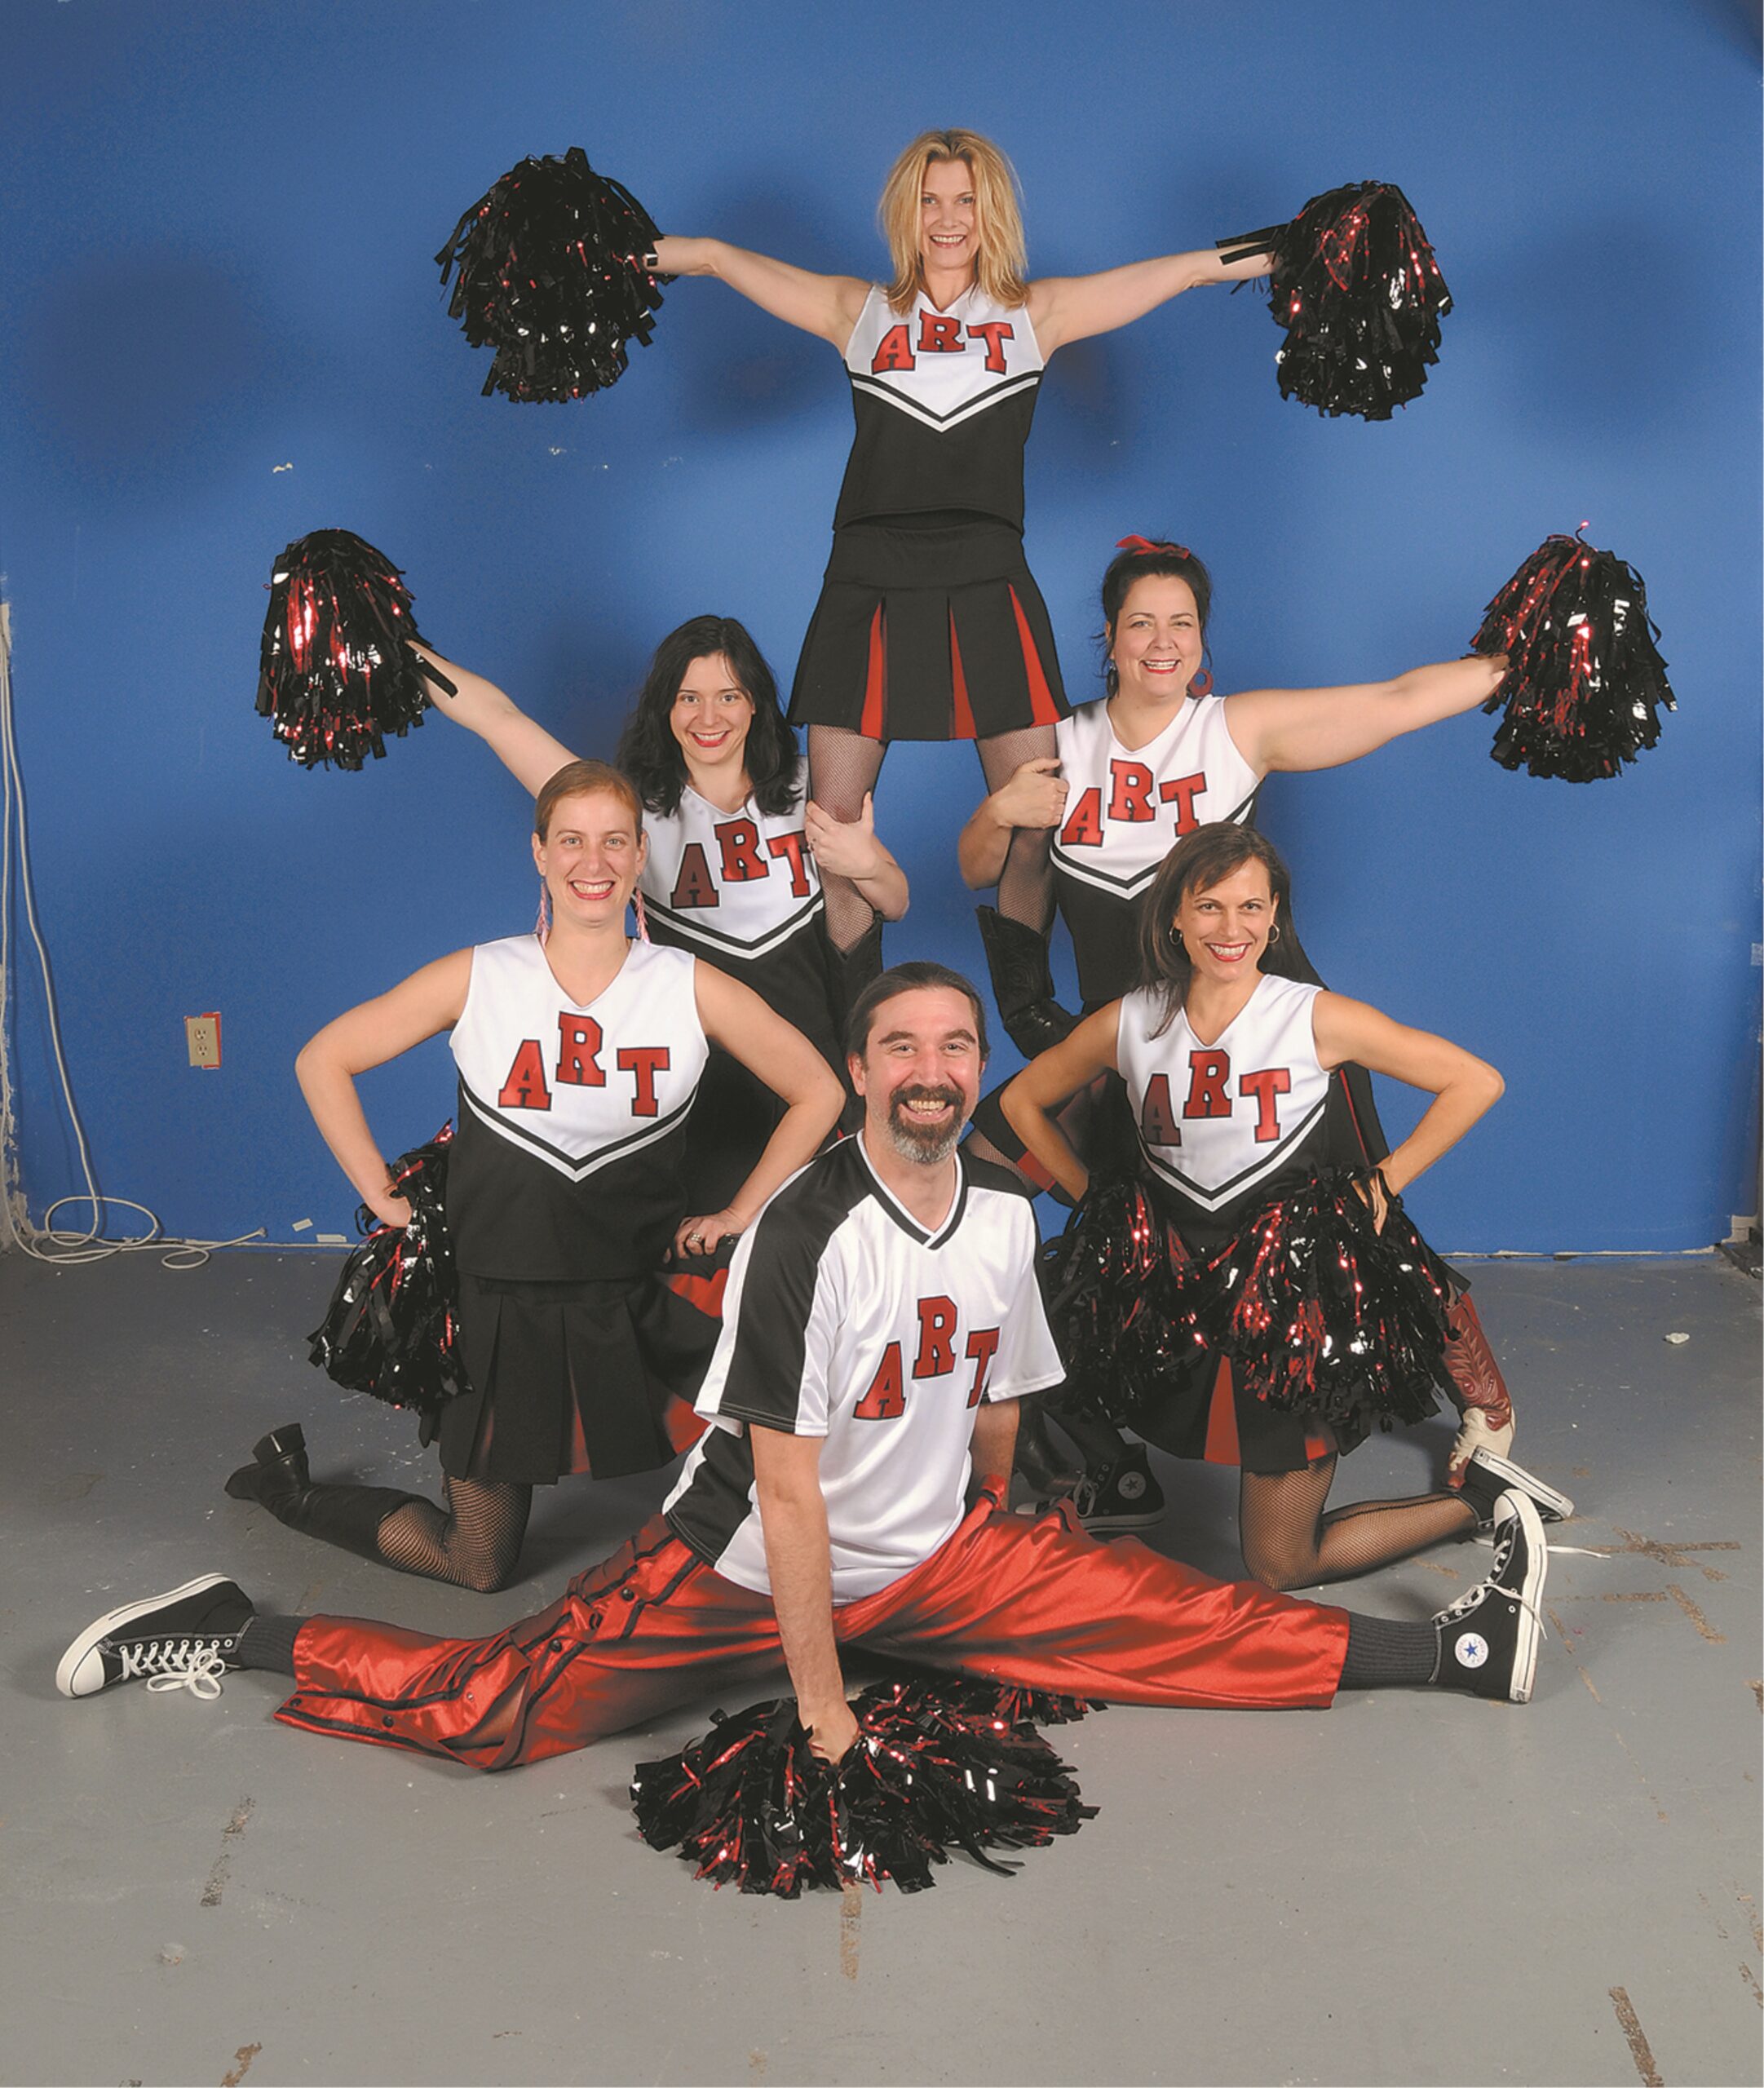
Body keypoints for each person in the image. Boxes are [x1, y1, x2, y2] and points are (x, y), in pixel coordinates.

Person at [61, 965, 1554, 1750]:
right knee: (490, 1709)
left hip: (935, 1558)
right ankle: (242, 1629)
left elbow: (998, 1396)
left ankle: (1452, 1652)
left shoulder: (994, 1212)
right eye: (899, 1048)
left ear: (975, 1070)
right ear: (857, 1072)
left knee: (1172, 1621)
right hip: (741, 1573)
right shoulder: (801, 1235)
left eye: (953, 1048)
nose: (930, 1071)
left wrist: (995, 1530)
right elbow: (783, 1494)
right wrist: (823, 1699)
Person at [962, 537, 1519, 1526]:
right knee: (996, 1192)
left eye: (1181, 623)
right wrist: (1002, 815)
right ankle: (1104, 1457)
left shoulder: (1235, 728)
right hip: (1130, 1046)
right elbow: (990, 870)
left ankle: (1487, 1398)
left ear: (1203, 638)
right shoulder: (1057, 741)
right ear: (1108, 636)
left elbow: (1394, 700)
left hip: (1265, 1036)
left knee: (1364, 1220)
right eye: (1141, 622)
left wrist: (1511, 665)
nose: (1161, 641)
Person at [648, 130, 1277, 984]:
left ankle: (1028, 1007)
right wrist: (601, 254)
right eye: (929, 200)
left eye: (965, 201)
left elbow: (1191, 269)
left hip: (987, 579)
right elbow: (715, 257)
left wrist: (1304, 249)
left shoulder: (1035, 315)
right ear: (906, 213)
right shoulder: (857, 311)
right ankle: (849, 1020)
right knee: (832, 826)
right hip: (867, 581)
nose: (947, 219)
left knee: (1038, 816)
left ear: (992, 214)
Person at [221, 759, 844, 1591]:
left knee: (788, 1456)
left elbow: (819, 1090)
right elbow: (322, 1058)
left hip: (634, 1291)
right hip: (498, 1300)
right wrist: (379, 1193)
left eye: (615, 841)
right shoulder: (482, 975)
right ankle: (292, 1492)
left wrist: (738, 1212)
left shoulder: (687, 985)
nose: (595, 861)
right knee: (478, 1562)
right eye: (572, 841)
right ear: (540, 854)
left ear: (640, 854)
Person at [1001, 825, 1572, 1590]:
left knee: (1278, 1563)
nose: (1229, 928)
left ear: (1274, 919)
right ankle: (1120, 1480)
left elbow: (1475, 1081)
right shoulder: (1130, 1019)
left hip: (1289, 1305)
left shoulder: (1311, 1015)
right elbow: (1022, 1102)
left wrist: (1384, 1181)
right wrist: (1100, 1203)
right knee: (1041, 1332)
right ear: (1174, 917)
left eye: (1250, 907)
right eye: (1208, 906)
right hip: (1179, 1284)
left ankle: (1487, 1502)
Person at [419, 619, 907, 1219]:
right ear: (665, 709)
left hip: (821, 1069)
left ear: (755, 703)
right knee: (705, 1253)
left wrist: (866, 864)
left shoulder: (811, 786)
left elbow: (894, 901)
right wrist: (394, 646)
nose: (709, 717)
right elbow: (500, 720)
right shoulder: (630, 813)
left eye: (728, 696)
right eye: (688, 698)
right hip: (702, 1095)